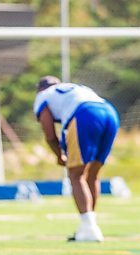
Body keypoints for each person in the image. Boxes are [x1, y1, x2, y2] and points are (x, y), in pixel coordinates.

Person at [33, 75, 119, 242]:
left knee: (76, 174)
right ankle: (88, 225)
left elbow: (49, 134)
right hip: (109, 112)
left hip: (85, 115)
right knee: (92, 174)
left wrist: (59, 156)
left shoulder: (43, 96)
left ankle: (90, 227)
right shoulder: (74, 88)